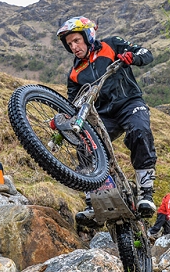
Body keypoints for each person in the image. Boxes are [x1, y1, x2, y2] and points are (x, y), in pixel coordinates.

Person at [56, 16, 157, 226]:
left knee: (140, 130)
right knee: (84, 146)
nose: (74, 47)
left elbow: (146, 53)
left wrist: (132, 57)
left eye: (77, 40)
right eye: (70, 44)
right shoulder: (75, 73)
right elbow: (72, 102)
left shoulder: (112, 44)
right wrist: (66, 116)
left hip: (129, 103)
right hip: (103, 115)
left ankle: (145, 193)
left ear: (88, 35)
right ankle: (93, 202)